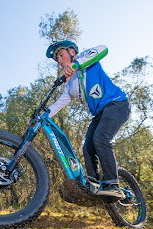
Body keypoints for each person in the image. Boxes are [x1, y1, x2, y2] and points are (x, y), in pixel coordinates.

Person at [46, 41, 130, 200]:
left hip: (117, 104)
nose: (60, 61)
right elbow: (57, 105)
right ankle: (94, 185)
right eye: (57, 59)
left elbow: (104, 49)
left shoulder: (86, 58)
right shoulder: (70, 84)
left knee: (100, 138)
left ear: (72, 52)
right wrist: (40, 117)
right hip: (100, 114)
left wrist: (77, 65)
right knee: (88, 148)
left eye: (61, 55)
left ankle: (113, 185)